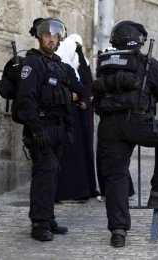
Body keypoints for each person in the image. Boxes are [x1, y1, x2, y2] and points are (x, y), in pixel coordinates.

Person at [92, 20, 158, 247]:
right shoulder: (145, 62)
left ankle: (118, 231)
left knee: (115, 178)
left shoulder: (105, 62)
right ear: (138, 42)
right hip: (136, 121)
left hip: (108, 125)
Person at [16, 17, 82, 242]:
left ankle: (48, 217)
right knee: (45, 173)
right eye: (47, 35)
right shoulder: (32, 64)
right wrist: (35, 130)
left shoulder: (60, 66)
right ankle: (39, 223)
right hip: (41, 128)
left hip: (59, 128)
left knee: (53, 174)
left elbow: (79, 86)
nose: (51, 39)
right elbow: (26, 100)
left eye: (55, 36)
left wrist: (81, 95)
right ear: (39, 37)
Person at [54, 37, 94, 202]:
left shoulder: (66, 68)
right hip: (63, 118)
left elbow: (82, 90)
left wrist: (82, 98)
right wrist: (72, 96)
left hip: (69, 118)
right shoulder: (62, 68)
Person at [67, 33, 100, 198]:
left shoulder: (82, 63)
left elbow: (86, 84)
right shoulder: (69, 64)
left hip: (84, 109)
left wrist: (86, 98)